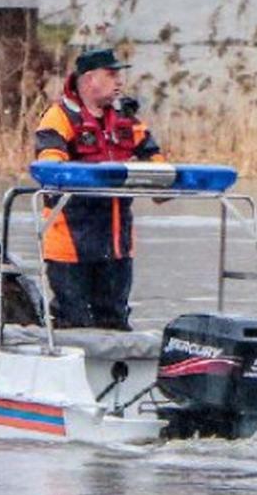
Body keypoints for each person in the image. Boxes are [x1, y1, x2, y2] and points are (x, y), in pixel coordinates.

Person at [34, 46, 164, 331]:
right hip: (70, 244)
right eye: (112, 74)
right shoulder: (58, 118)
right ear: (90, 79)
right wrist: (101, 176)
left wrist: (158, 180)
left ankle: (118, 371)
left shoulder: (127, 121)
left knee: (114, 321)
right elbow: (50, 170)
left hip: (116, 245)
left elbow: (156, 159)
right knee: (74, 321)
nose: (119, 81)